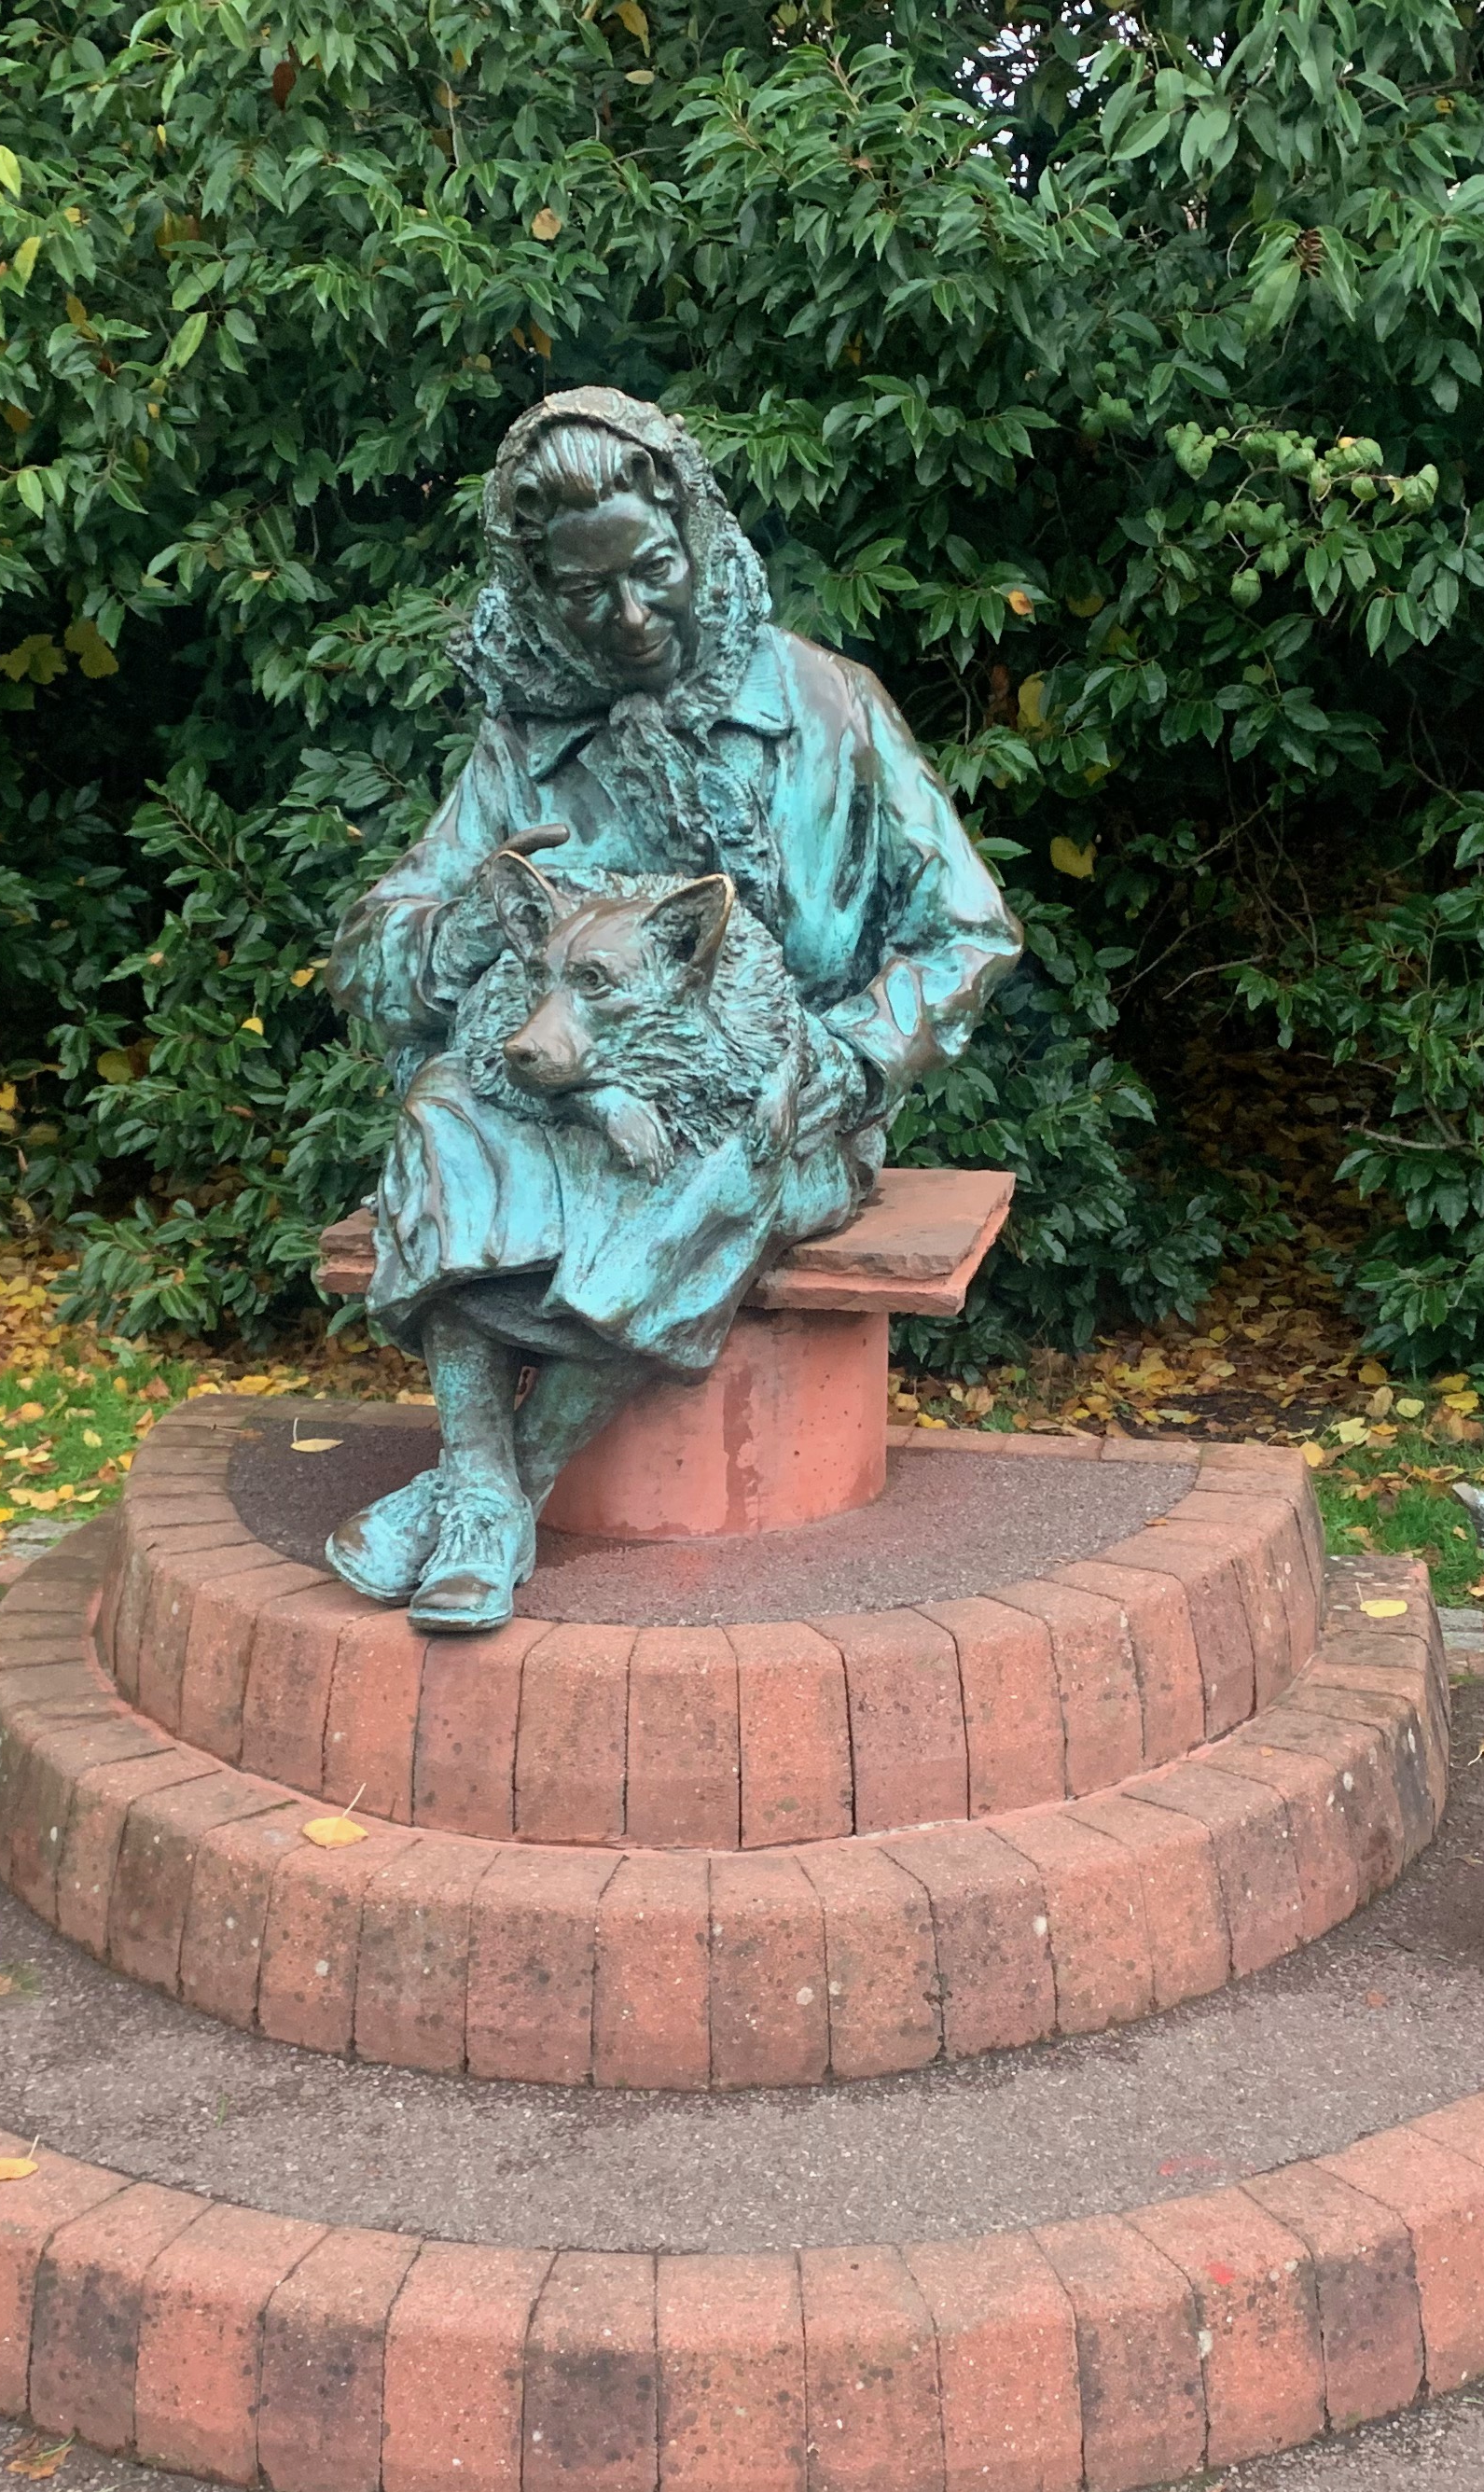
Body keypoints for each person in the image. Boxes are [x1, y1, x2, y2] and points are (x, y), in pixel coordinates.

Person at [325, 385, 1021, 1632]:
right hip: (548, 1091)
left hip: (784, 1103)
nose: (632, 617)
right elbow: (378, 966)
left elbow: (969, 932)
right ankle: (479, 1481)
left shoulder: (828, 708)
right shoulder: (522, 742)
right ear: (537, 592)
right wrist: (471, 923)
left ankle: (499, 1486)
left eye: (653, 571)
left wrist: (853, 1058)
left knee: (709, 1152)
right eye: (585, 593)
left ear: (696, 531)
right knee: (441, 1108)